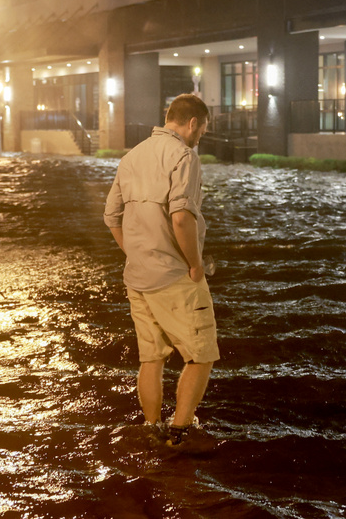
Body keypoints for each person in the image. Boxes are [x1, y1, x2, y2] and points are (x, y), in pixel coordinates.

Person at [104, 93, 217, 448]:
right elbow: (181, 217)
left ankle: (152, 427)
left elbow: (111, 217)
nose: (201, 138)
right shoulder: (184, 156)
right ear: (192, 123)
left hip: (137, 277)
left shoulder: (131, 156)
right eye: (202, 130)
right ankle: (179, 434)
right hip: (173, 277)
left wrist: (136, 252)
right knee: (201, 355)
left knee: (151, 358)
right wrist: (195, 265)